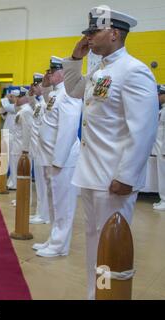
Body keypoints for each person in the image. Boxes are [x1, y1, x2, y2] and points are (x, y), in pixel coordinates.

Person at [63, 6, 158, 299]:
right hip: (92, 174)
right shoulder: (101, 69)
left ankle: (108, 295)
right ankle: (96, 293)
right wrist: (75, 59)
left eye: (94, 32)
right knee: (94, 241)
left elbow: (143, 130)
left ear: (114, 34)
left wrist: (127, 176)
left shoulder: (134, 70)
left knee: (111, 246)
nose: (89, 37)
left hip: (113, 179)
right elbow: (74, 90)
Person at [32, 57, 83, 258]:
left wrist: (58, 161)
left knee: (64, 204)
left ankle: (60, 245)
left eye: (53, 71)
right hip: (50, 157)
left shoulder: (69, 93)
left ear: (64, 73)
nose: (48, 74)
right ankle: (54, 239)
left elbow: (68, 130)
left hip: (61, 159)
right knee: (55, 202)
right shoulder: (56, 94)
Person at [28, 73, 50, 224]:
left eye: (36, 85)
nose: (34, 88)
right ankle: (39, 212)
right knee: (40, 186)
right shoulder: (40, 103)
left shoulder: (46, 103)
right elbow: (32, 107)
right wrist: (30, 95)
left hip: (42, 150)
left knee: (44, 186)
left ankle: (44, 215)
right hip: (36, 150)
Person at [10, 87, 34, 190]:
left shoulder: (26, 111)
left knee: (22, 175)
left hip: (21, 149)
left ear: (25, 98)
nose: (16, 100)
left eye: (19, 97)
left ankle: (23, 199)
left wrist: (25, 150)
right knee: (17, 174)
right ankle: (19, 197)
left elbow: (27, 131)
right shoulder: (21, 110)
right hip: (17, 147)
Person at [152, 85, 165, 210]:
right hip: (160, 149)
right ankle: (163, 199)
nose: (158, 97)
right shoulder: (162, 110)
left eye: (160, 95)